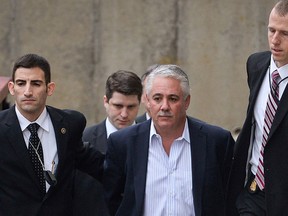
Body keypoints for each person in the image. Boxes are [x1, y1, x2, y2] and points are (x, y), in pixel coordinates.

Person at [103, 64, 235, 216]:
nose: (164, 106)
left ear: (187, 102)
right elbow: (113, 200)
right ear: (147, 101)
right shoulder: (123, 143)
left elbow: (229, 197)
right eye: (157, 98)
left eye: (173, 99)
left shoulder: (216, 141)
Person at [0, 53, 104, 216]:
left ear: (50, 88)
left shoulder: (69, 124)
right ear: (12, 88)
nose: (28, 91)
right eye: (21, 83)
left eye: (36, 83)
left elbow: (101, 167)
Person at [226, 1, 288, 215]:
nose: (275, 40)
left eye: (285, 34)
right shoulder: (256, 64)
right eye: (271, 30)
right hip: (253, 191)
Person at [73, 70, 142, 216]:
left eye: (131, 107)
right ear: (105, 101)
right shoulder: (83, 140)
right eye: (118, 106)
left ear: (140, 103)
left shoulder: (152, 139)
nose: (124, 114)